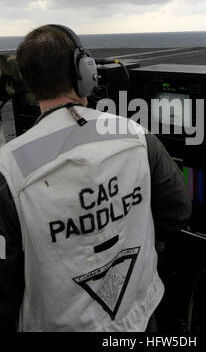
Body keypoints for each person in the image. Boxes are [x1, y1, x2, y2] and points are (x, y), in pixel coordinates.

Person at [0, 25, 192, 332]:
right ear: (85, 72)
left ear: (30, 83)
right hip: (137, 320)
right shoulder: (137, 137)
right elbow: (179, 210)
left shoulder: (9, 169)